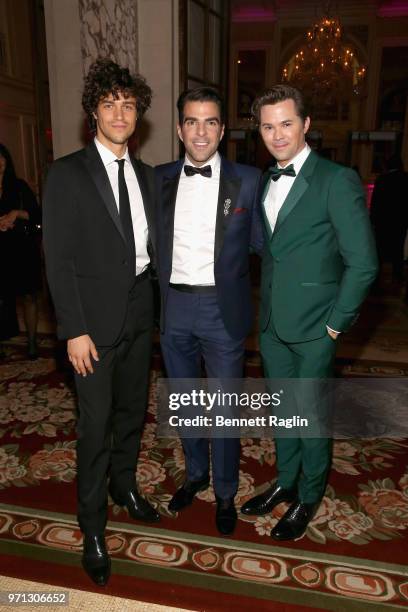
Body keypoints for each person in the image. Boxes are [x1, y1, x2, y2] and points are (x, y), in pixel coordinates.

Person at [241, 84, 378, 540]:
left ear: (305, 125)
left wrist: (336, 324)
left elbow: (363, 262)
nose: (277, 135)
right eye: (267, 126)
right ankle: (286, 481)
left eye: (286, 123)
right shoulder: (265, 178)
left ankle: (309, 494)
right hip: (273, 325)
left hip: (319, 328)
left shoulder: (336, 179)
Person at [43, 58, 159, 587]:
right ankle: (92, 526)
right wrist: (73, 328)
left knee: (133, 410)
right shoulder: (66, 173)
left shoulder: (148, 176)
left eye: (128, 104)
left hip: (140, 310)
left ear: (138, 114)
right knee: (95, 427)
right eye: (109, 103)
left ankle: (125, 484)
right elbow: (58, 257)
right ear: (94, 112)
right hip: (90, 324)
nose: (119, 113)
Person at [155, 87, 262, 536]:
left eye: (211, 122)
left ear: (223, 129)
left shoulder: (250, 181)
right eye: (193, 122)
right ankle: (195, 474)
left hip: (223, 309)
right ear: (180, 128)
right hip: (173, 305)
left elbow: (266, 250)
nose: (201, 131)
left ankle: (223, 491)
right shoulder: (156, 178)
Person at [0, 143, 42, 359]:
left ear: (7, 161)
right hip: (1, 251)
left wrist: (16, 213)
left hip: (22, 248)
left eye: (1, 158)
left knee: (29, 296)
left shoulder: (18, 186)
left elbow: (37, 215)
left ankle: (33, 342)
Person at [370, 155, 408, 285]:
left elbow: (376, 202)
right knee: (398, 247)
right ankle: (397, 273)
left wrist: (373, 219)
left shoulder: (382, 180)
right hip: (400, 220)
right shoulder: (405, 179)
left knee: (380, 248)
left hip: (383, 220)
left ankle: (377, 275)